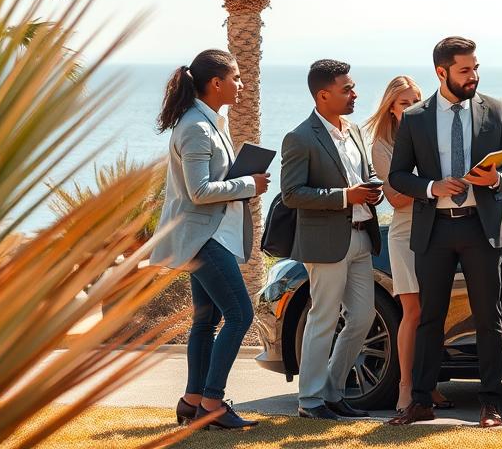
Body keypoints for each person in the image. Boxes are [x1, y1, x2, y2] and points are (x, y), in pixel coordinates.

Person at [385, 37, 502, 428]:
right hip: (434, 230)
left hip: (481, 228)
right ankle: (420, 401)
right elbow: (398, 174)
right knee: (430, 318)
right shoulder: (415, 117)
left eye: (476, 67)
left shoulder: (496, 110)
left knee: (489, 317)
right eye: (465, 70)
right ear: (441, 72)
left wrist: (498, 178)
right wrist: (432, 187)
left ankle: (490, 403)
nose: (474, 76)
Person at [152, 49, 269, 430]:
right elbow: (199, 190)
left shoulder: (207, 122)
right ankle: (212, 403)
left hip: (206, 234)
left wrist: (242, 182)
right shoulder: (196, 128)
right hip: (202, 237)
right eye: (235, 77)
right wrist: (249, 183)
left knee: (207, 319)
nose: (241, 84)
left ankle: (191, 401)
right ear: (216, 83)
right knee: (240, 315)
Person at [280, 59, 384, 420]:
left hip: (362, 237)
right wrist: (345, 196)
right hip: (325, 244)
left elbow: (365, 175)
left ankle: (333, 390)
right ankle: (309, 401)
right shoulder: (300, 137)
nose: (355, 94)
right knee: (322, 319)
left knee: (362, 317)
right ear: (324, 94)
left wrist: (372, 192)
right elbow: (292, 194)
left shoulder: (354, 130)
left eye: (353, 87)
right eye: (347, 89)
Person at [363, 75, 452, 413]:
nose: (412, 107)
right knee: (412, 312)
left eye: (416, 100)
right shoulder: (382, 146)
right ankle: (406, 387)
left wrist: (436, 188)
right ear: (391, 109)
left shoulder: (432, 138)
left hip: (438, 233)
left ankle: (429, 385)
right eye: (404, 103)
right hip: (406, 236)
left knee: (437, 313)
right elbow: (397, 199)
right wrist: (436, 189)